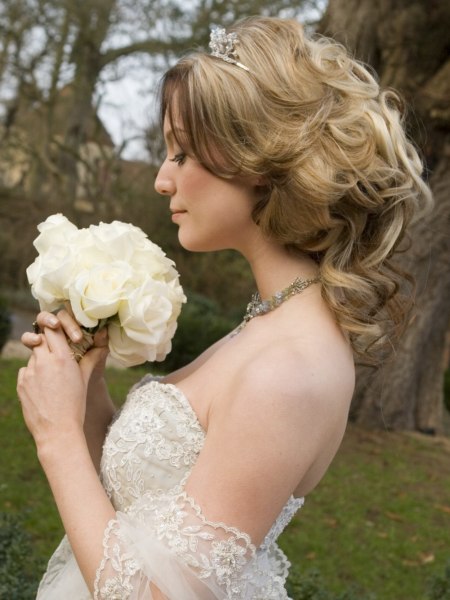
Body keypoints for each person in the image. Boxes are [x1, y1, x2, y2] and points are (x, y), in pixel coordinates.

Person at [18, 16, 431, 600]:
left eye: (182, 154)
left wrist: (55, 437)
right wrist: (84, 389)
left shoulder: (290, 367)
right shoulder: (268, 322)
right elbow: (145, 504)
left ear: (257, 161)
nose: (163, 180)